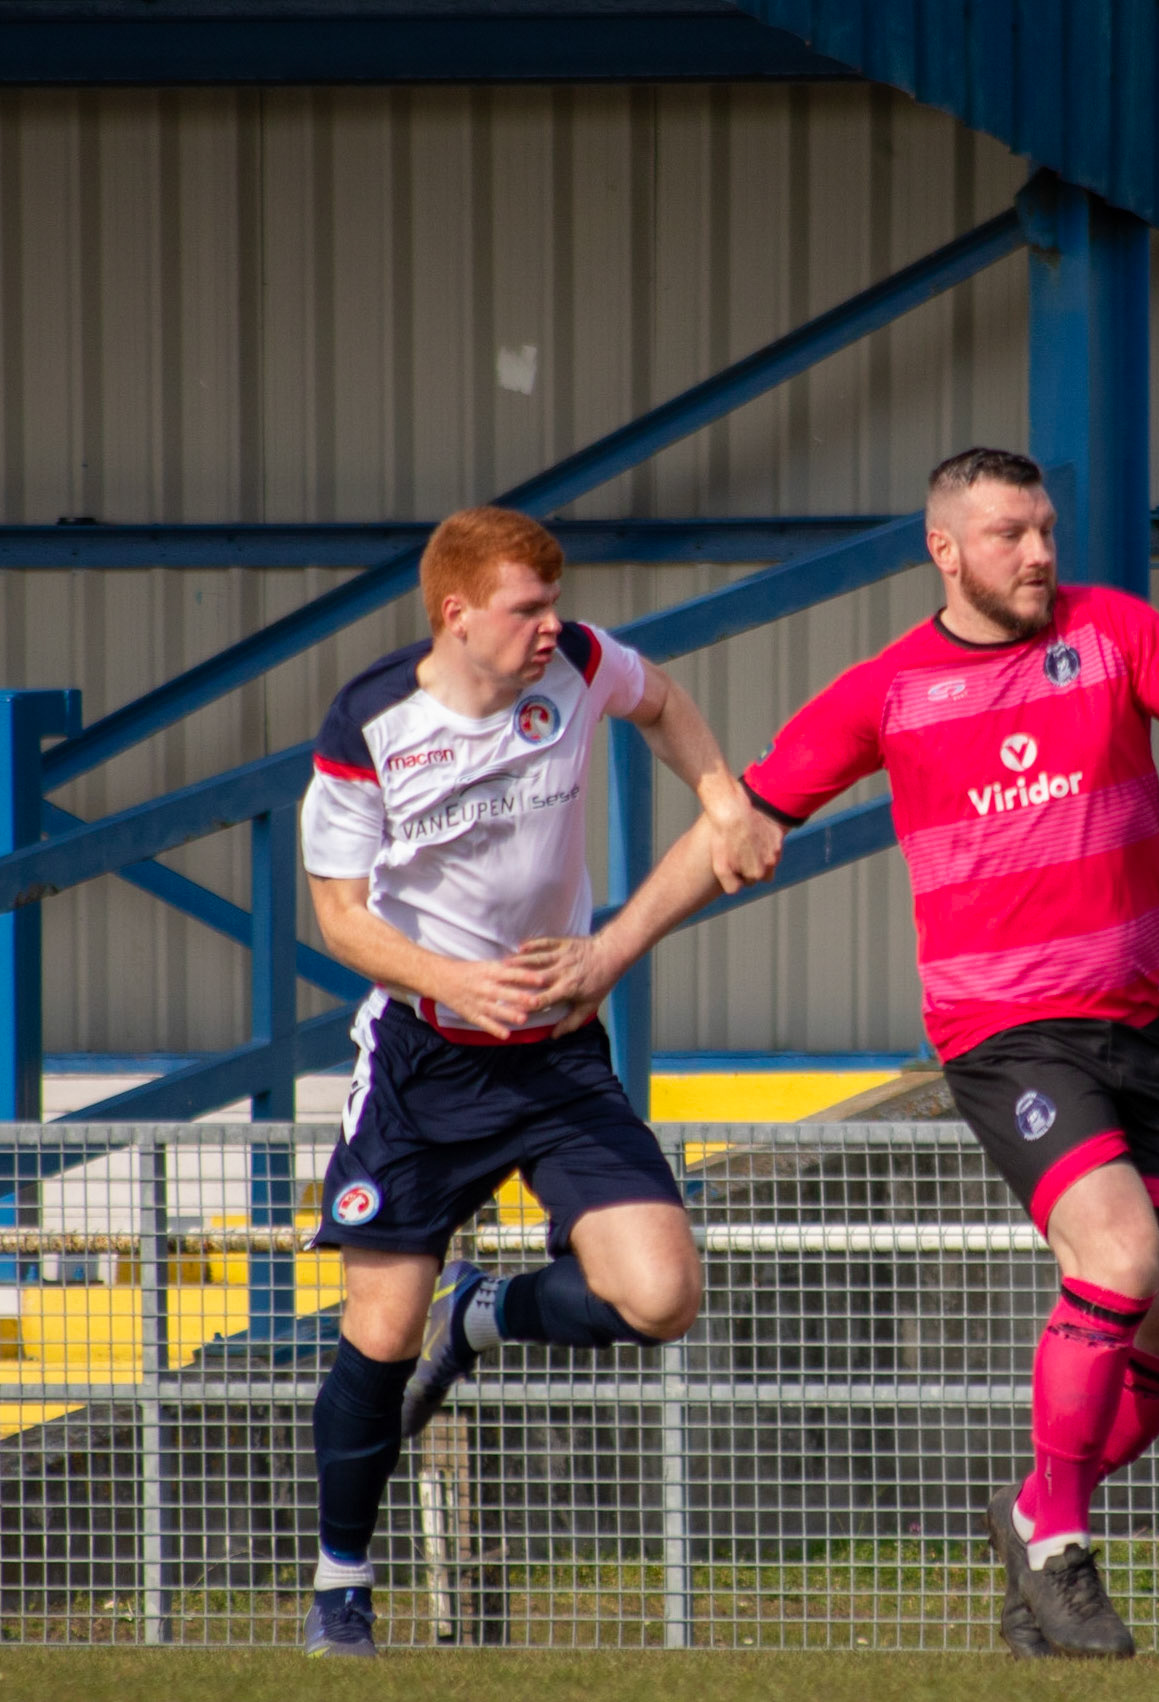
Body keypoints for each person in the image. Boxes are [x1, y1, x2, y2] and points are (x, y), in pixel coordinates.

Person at [511, 448, 1159, 1659]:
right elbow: (740, 822)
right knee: (1119, 1253)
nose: (1037, 553)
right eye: (1007, 535)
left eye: (1044, 529)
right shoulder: (888, 691)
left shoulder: (1111, 631)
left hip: (1146, 1025)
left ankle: (1034, 1510)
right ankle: (1056, 1544)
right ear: (944, 550)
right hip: (1009, 1032)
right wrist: (610, 951)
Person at [296, 504, 780, 1657]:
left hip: (558, 1054)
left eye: (555, 604)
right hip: (423, 1060)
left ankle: (487, 1311)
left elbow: (662, 702)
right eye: (527, 608)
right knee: (382, 1328)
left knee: (661, 1296)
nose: (551, 625)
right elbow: (339, 918)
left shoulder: (579, 664)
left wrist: (723, 799)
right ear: (456, 613)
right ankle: (341, 1586)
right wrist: (452, 981)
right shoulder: (368, 720)